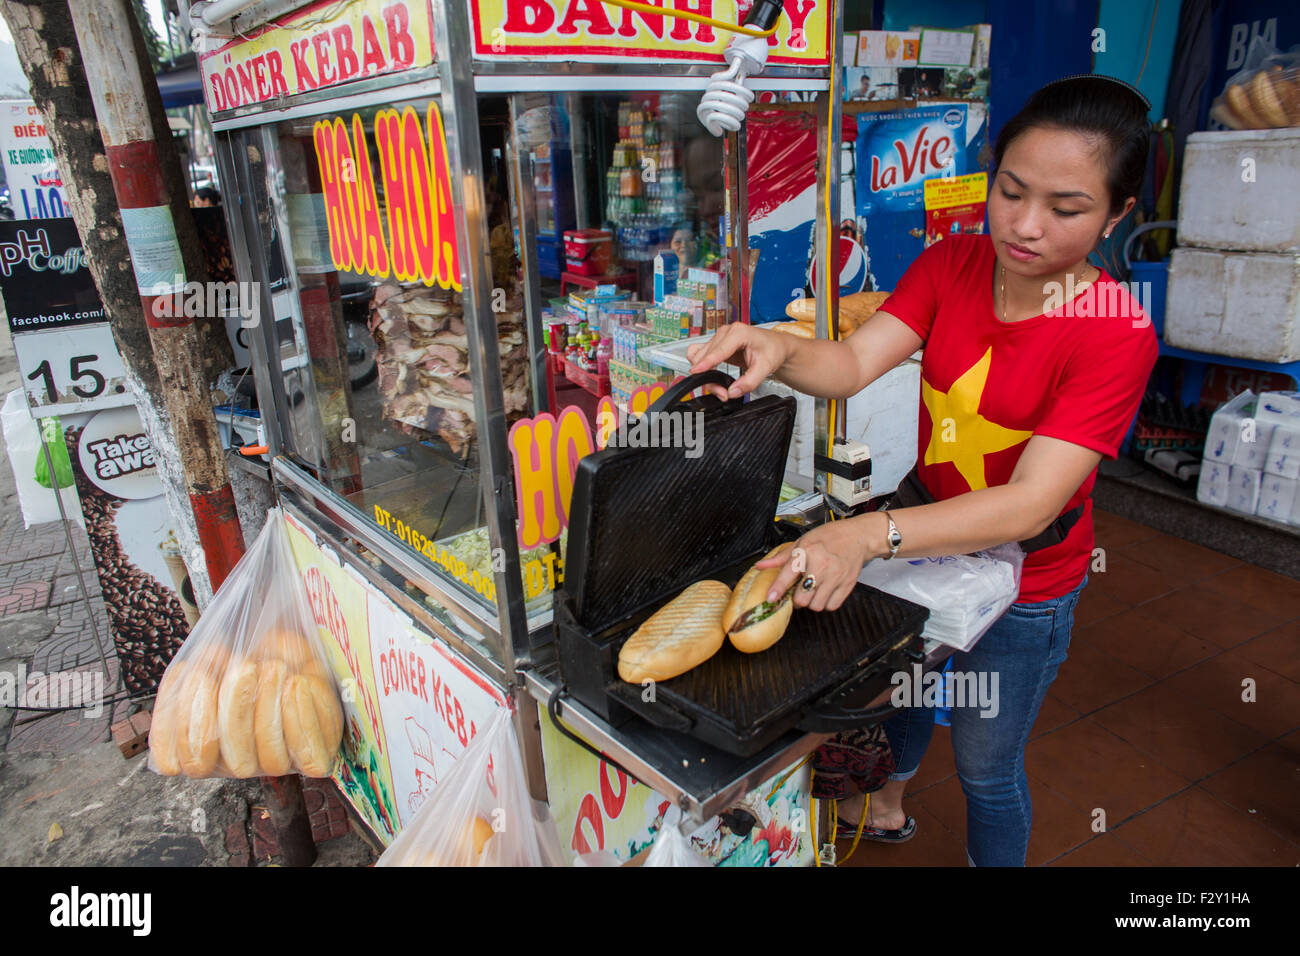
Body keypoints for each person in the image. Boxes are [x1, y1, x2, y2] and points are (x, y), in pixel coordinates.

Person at [687, 75, 1158, 866]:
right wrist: (779, 347)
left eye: (1066, 208)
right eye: (1011, 191)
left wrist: (867, 536)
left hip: (1026, 582)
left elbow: (1029, 504)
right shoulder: (953, 265)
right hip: (923, 536)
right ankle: (888, 807)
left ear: (1118, 214)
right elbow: (849, 363)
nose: (1026, 225)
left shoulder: (1114, 330)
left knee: (986, 765)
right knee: (902, 691)